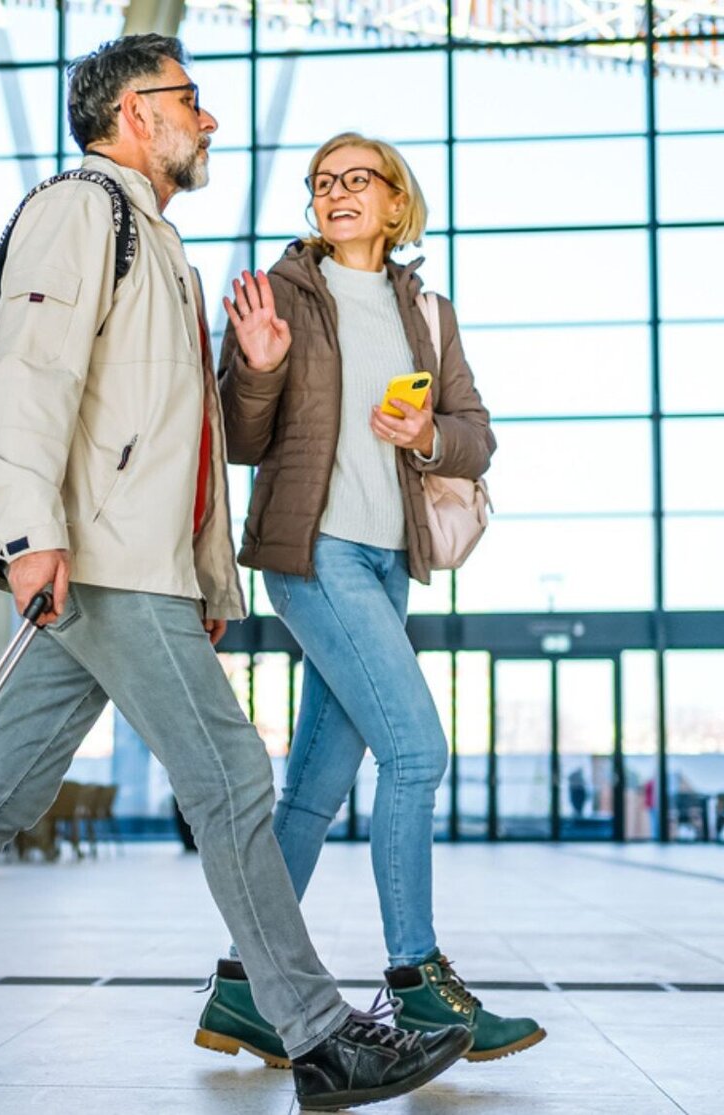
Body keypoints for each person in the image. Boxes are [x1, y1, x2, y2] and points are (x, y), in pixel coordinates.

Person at [0, 36, 470, 1111]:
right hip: (101, 559)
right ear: (129, 114)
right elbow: (28, 381)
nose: (207, 120)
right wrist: (27, 536)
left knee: (5, 786)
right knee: (234, 780)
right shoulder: (81, 210)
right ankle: (317, 1034)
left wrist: (205, 577)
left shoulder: (153, 240)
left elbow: (177, 439)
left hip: (126, 560)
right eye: (188, 101)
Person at [199, 132, 541, 1066]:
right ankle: (418, 984)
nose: (337, 192)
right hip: (312, 555)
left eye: (359, 179)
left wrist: (430, 432)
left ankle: (242, 992)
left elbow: (477, 436)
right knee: (419, 754)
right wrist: (259, 363)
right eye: (322, 182)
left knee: (312, 791)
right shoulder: (281, 293)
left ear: (397, 202)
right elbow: (238, 433)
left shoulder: (427, 308)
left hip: (390, 563)